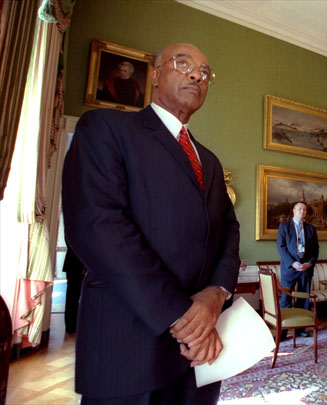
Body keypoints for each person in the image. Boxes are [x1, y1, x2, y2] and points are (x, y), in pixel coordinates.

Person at [62, 43, 240, 404]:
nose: (196, 75)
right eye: (183, 63)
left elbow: (229, 233)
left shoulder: (210, 161)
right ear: (155, 75)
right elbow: (99, 228)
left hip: (200, 357)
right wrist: (182, 316)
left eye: (204, 72)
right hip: (128, 347)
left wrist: (215, 294)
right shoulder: (105, 127)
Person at [277, 201, 319, 337]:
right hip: (290, 269)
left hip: (306, 269)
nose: (302, 211)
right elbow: (281, 247)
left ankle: (301, 329)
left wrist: (309, 263)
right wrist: (293, 263)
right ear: (293, 211)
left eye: (305, 209)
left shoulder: (311, 229)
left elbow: (315, 249)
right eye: (300, 209)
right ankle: (282, 332)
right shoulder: (284, 227)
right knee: (285, 299)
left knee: (303, 298)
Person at [62, 242, 85, 334]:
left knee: (73, 296)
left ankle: (73, 325)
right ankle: (71, 325)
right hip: (75, 264)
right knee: (72, 296)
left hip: (74, 263)